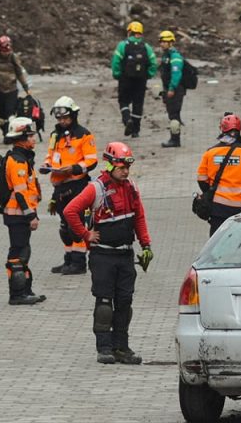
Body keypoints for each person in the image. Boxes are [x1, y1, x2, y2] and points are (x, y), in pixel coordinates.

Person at [62, 142, 152, 365]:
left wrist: (146, 245)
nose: (125, 170)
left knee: (124, 302)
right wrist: (86, 234)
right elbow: (69, 210)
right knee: (104, 303)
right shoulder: (97, 188)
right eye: (121, 165)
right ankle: (104, 348)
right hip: (103, 256)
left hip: (125, 255)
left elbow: (139, 217)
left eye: (127, 166)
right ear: (110, 164)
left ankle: (121, 347)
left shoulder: (131, 187)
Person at [41, 96, 97, 275]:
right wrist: (46, 165)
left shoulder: (84, 135)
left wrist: (73, 168)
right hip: (60, 187)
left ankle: (79, 263)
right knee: (64, 227)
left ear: (73, 115)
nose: (62, 121)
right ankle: (68, 260)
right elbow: (51, 155)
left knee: (76, 225)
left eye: (65, 118)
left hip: (77, 185)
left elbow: (92, 161)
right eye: (59, 119)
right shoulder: (54, 135)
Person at [1, 116, 46, 306]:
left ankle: (25, 290)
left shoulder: (23, 158)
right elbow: (20, 193)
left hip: (19, 215)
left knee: (23, 251)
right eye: (30, 135)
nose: (34, 138)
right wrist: (31, 215)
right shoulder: (18, 161)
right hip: (18, 215)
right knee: (18, 254)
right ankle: (17, 294)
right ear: (21, 138)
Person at [196, 113, 241, 236]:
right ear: (240, 130)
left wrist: (212, 193)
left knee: (217, 243)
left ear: (222, 129)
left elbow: (201, 180)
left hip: (218, 208)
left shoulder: (210, 153)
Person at [0, 35, 33, 139]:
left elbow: (19, 73)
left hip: (11, 89)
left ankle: (11, 132)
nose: (6, 53)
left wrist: (26, 88)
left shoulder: (13, 57)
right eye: (4, 51)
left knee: (10, 111)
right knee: (2, 113)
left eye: (8, 51)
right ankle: (4, 131)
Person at [111, 21, 157, 138]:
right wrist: (149, 74)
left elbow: (116, 61)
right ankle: (135, 130)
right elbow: (153, 63)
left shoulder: (123, 45)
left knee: (123, 101)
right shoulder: (146, 47)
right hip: (141, 80)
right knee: (138, 103)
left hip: (125, 78)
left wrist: (117, 74)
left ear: (129, 31)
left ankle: (127, 120)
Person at [158, 30, 186, 148]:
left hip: (175, 90)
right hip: (170, 89)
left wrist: (171, 88)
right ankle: (174, 138)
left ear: (171, 42)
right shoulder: (167, 55)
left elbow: (176, 74)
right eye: (161, 41)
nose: (162, 44)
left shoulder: (174, 56)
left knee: (174, 115)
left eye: (165, 41)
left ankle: (175, 140)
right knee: (173, 114)